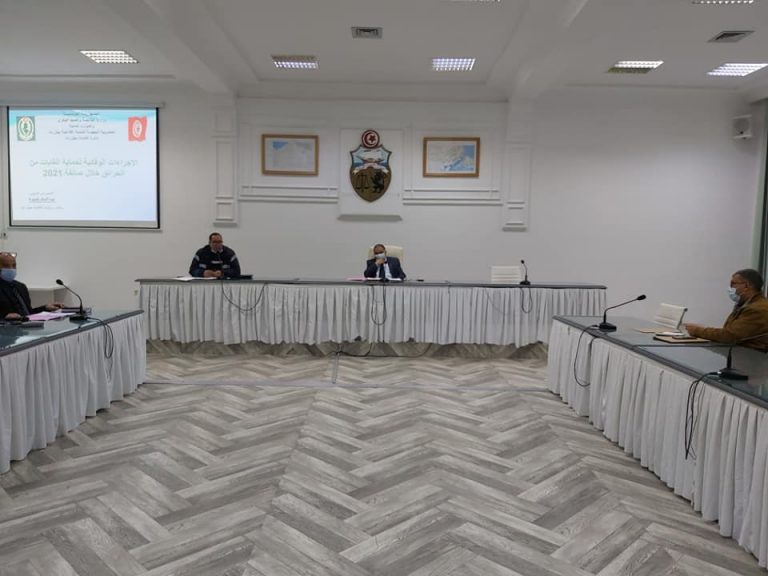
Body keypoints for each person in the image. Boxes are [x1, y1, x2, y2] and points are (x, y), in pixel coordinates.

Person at [684, 268, 768, 351]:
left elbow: (730, 335)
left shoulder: (757, 309)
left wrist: (697, 331)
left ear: (746, 286)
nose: (730, 288)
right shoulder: (746, 305)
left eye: (733, 284)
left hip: (752, 356)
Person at [0, 252, 63, 320]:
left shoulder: (21, 287)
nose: (11, 269)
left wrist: (46, 308)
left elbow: (29, 313)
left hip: (28, 325)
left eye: (14, 265)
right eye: (6, 266)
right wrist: (4, 317)